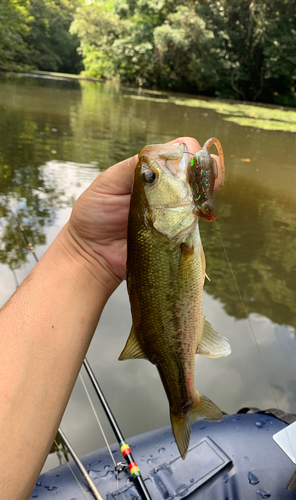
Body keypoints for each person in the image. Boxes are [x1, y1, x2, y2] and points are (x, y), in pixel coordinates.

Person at [0, 137, 223, 500]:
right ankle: (184, 403)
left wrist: (84, 251)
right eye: (151, 178)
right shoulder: (172, 231)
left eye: (149, 177)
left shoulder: (171, 228)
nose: (156, 170)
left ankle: (184, 403)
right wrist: (84, 248)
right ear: (153, 213)